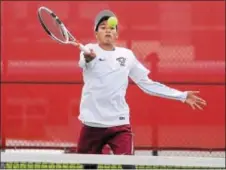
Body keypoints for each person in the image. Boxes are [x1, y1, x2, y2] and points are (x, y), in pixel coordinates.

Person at [76, 10, 207, 169]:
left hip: (119, 124)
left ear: (117, 33)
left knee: (130, 166)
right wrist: (89, 57)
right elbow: (85, 61)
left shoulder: (127, 55)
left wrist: (181, 95)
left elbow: (148, 84)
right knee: (88, 167)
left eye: (112, 27)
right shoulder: (89, 49)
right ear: (96, 33)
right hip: (92, 124)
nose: (108, 30)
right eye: (102, 27)